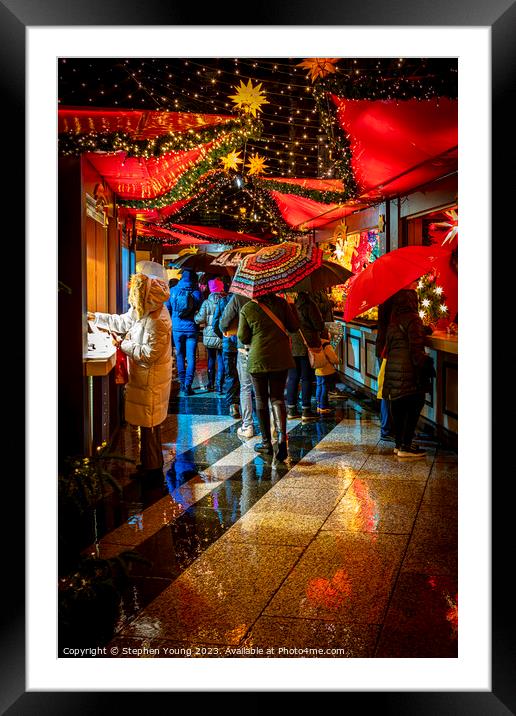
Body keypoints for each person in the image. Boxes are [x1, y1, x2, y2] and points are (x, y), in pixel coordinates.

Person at [87, 272, 172, 476]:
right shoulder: (147, 311)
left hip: (151, 380)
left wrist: (122, 343)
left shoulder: (157, 320)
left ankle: (152, 470)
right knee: (148, 425)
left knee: (150, 426)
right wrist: (96, 317)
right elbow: (123, 322)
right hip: (145, 378)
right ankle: (150, 464)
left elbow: (149, 354)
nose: (132, 302)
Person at [238, 292, 299, 462]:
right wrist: (291, 304)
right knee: (278, 398)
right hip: (281, 358)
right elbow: (294, 327)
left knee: (260, 399)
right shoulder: (282, 304)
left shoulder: (248, 308)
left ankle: (266, 443)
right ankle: (281, 438)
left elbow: (243, 337)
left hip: (258, 360)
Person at [382, 284, 435, 459]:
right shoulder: (413, 319)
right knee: (414, 406)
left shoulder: (394, 320)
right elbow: (416, 351)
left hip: (393, 372)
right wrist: (429, 365)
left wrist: (424, 330)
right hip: (409, 373)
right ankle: (405, 446)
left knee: (398, 409)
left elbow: (391, 347)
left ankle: (399, 444)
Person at [219, 293, 255, 440]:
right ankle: (272, 426)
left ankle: (248, 425)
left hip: (245, 346)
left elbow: (223, 323)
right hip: (267, 347)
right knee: (265, 389)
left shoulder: (239, 297)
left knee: (246, 387)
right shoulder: (271, 295)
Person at [285, 291, 324, 422]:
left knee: (293, 377)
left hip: (291, 345)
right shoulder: (308, 303)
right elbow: (319, 325)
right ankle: (306, 410)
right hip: (308, 345)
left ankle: (291, 409)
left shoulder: (286, 303)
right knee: (306, 378)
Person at [167, 268, 202, 396]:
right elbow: (200, 309)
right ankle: (188, 385)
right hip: (191, 328)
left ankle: (182, 383)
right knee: (191, 357)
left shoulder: (173, 291)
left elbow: (167, 308)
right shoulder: (197, 293)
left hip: (177, 328)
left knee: (180, 355)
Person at [194, 277, 226, 394]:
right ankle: (220, 386)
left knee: (211, 359)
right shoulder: (225, 300)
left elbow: (199, 319)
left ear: (211, 289)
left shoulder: (206, 303)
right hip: (222, 335)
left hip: (209, 337)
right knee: (221, 360)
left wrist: (195, 316)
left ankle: (210, 384)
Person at [213, 292, 241, 419]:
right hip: (243, 344)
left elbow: (216, 324)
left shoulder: (222, 302)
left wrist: (224, 337)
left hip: (228, 345)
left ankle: (233, 405)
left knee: (230, 375)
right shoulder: (244, 300)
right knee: (246, 377)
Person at [375, 295, 395, 441]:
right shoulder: (393, 300)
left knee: (385, 390)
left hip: (383, 347)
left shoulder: (384, 299)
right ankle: (387, 429)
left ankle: (387, 428)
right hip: (388, 350)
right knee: (387, 391)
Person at [315, 336, 338, 415]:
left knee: (319, 387)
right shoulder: (326, 345)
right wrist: (338, 360)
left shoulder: (315, 342)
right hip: (327, 370)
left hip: (318, 370)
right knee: (325, 388)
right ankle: (324, 406)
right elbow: (333, 358)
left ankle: (318, 405)